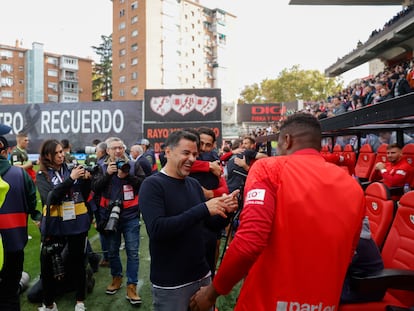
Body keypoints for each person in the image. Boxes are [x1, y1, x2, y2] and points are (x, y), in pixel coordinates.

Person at [189, 113, 366, 311]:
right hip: (324, 303)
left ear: (287, 140)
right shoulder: (354, 187)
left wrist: (212, 292)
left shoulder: (270, 168)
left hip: (267, 302)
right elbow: (347, 253)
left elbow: (250, 241)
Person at [138, 130, 239, 311]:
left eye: (195, 154)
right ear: (168, 152)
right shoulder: (152, 185)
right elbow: (157, 229)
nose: (192, 159)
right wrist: (203, 209)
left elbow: (208, 224)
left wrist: (228, 211)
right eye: (186, 153)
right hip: (172, 282)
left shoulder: (192, 184)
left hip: (202, 275)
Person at [36, 139, 92, 311]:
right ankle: (49, 304)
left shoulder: (70, 169)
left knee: (77, 262)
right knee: (47, 264)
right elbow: (50, 199)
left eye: (62, 152)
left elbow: (83, 193)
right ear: (47, 155)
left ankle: (80, 301)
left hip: (76, 223)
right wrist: (71, 180)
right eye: (57, 153)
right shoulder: (42, 174)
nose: (61, 155)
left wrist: (86, 180)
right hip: (54, 225)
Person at [91, 137, 145, 305]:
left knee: (133, 252)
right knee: (112, 251)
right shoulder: (101, 166)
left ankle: (132, 286)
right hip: (109, 216)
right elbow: (94, 188)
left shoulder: (134, 165)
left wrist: (127, 176)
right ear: (107, 151)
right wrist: (108, 174)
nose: (118, 151)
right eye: (114, 148)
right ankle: (116, 278)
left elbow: (144, 184)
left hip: (130, 215)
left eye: (120, 148)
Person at [0, 135, 41, 311]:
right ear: (6, 151)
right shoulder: (20, 174)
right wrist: (37, 216)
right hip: (14, 242)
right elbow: (33, 205)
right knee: (10, 293)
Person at [189, 127, 233, 278]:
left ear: (214, 145)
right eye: (201, 144)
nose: (203, 149)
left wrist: (210, 193)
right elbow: (176, 162)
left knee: (208, 259)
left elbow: (224, 188)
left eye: (208, 145)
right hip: (187, 222)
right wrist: (208, 166)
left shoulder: (213, 159)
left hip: (209, 220)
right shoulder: (204, 161)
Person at [340, 216, 385, 304]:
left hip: (365, 289)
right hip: (353, 280)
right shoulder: (353, 232)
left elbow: (335, 267)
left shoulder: (357, 240)